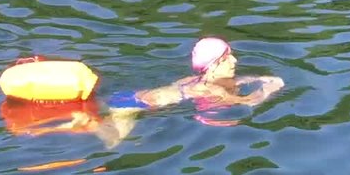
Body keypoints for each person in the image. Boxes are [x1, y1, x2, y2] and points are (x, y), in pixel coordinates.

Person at [79, 37, 283, 147]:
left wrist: (256, 77)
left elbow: (232, 81)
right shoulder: (210, 88)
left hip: (131, 95)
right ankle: (86, 122)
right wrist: (270, 87)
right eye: (228, 58)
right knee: (113, 140)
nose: (235, 61)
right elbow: (250, 101)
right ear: (214, 65)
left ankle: (82, 116)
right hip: (132, 104)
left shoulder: (195, 80)